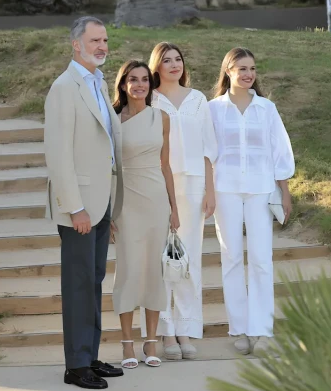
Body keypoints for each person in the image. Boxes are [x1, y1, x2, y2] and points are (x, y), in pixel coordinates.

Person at [43, 16, 124, 390]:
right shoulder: (64, 88)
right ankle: (76, 366)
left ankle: (89, 356)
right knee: (78, 284)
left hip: (101, 200)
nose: (102, 46)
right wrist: (75, 207)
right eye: (94, 40)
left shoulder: (98, 82)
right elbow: (58, 156)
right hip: (80, 206)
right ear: (76, 44)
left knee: (92, 281)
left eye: (105, 39)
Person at [208, 47, 295, 356]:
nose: (248, 74)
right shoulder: (213, 109)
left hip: (260, 189)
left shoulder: (266, 109)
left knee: (260, 259)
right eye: (242, 68)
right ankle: (240, 329)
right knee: (231, 258)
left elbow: (279, 150)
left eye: (253, 69)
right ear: (228, 70)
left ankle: (262, 330)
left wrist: (284, 190)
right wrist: (207, 190)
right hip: (225, 189)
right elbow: (207, 153)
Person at [140, 42, 218, 360]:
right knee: (163, 260)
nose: (175, 65)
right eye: (167, 60)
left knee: (188, 261)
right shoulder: (149, 100)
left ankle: (185, 328)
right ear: (156, 66)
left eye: (179, 59)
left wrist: (210, 191)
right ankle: (165, 331)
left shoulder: (198, 99)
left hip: (194, 184)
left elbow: (209, 148)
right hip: (160, 185)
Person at [110, 60, 180, 369]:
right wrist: (108, 210)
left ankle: (151, 342)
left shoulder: (162, 118)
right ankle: (127, 344)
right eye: (133, 80)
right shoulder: (111, 120)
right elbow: (105, 167)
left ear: (150, 86)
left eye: (144, 80)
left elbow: (165, 166)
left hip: (155, 201)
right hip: (125, 202)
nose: (139, 85)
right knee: (128, 270)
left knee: (154, 271)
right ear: (123, 85)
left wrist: (174, 208)